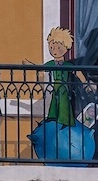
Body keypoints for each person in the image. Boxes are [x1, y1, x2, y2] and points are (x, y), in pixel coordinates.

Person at [28, 27, 95, 162]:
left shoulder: (68, 64)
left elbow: (78, 73)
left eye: (58, 47)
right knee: (55, 105)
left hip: (64, 89)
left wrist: (86, 84)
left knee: (64, 105)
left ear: (66, 47)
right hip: (56, 89)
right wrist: (29, 66)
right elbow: (42, 68)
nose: (55, 50)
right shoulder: (52, 63)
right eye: (52, 46)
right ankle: (56, 120)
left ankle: (65, 121)